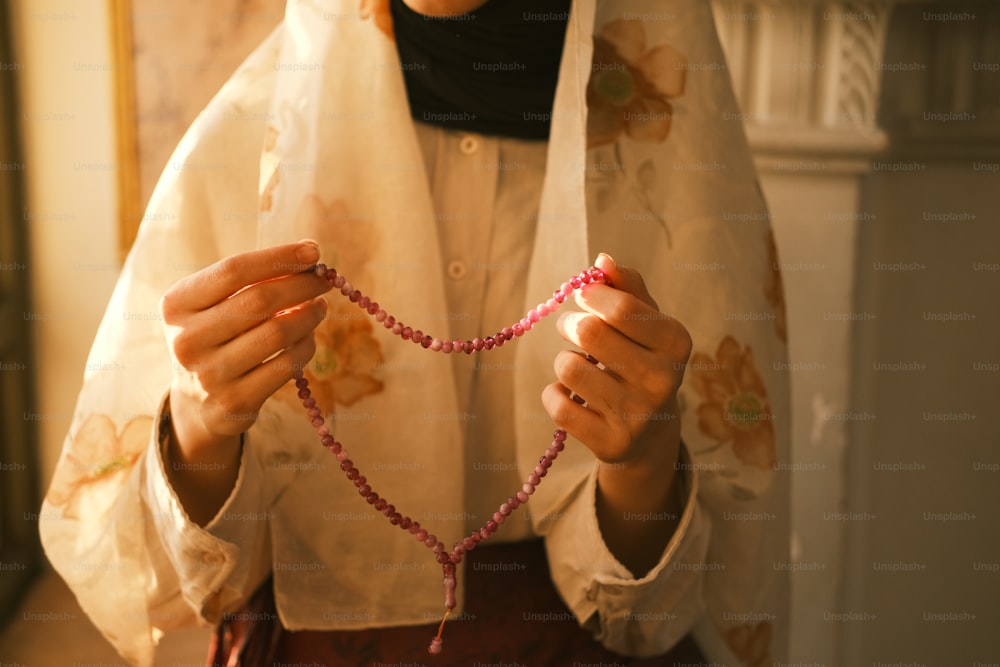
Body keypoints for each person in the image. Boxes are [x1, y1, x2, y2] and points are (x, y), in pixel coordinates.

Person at [41, 0, 791, 665]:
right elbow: (163, 578)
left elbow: (685, 596)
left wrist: (642, 464)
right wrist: (201, 429)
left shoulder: (678, 190)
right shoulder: (247, 155)